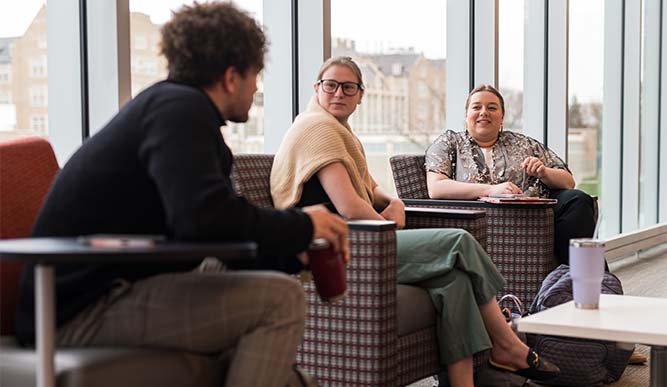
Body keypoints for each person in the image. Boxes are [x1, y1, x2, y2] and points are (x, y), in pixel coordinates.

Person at [15, 3, 348, 387]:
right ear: (231, 76)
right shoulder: (178, 111)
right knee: (280, 301)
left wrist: (290, 250)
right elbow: (203, 219)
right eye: (255, 75)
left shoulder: (176, 112)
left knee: (284, 356)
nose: (257, 88)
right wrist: (303, 224)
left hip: (114, 287)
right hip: (77, 310)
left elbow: (210, 229)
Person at [270, 56, 559, 387]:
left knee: (455, 281)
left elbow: (370, 187)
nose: (339, 93)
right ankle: (507, 342)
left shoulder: (340, 133)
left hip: (360, 238)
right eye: (331, 85)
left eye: (349, 87)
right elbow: (349, 208)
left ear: (360, 95)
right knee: (458, 242)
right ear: (316, 89)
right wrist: (388, 225)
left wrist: (392, 201)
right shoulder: (317, 129)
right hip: (342, 247)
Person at [425, 84, 597, 265]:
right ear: (466, 115)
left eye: (492, 107)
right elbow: (436, 188)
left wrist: (544, 172)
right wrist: (490, 189)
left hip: (531, 215)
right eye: (477, 107)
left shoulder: (523, 143)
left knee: (576, 199)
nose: (484, 112)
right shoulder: (449, 142)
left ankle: (587, 276)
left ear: (502, 117)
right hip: (480, 221)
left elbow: (568, 181)